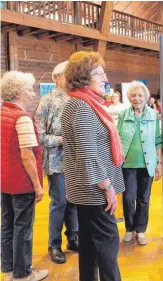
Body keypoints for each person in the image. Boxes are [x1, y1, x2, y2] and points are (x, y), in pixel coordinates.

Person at [61, 51, 125, 281]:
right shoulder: (82, 107)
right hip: (94, 190)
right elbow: (89, 154)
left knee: (89, 244)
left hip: (87, 189)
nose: (105, 77)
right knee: (108, 243)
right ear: (84, 76)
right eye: (99, 72)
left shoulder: (82, 103)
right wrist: (107, 187)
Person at [1, 71, 48, 281]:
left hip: (5, 181)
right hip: (21, 183)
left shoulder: (2, 113)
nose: (32, 93)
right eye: (29, 89)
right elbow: (27, 155)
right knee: (23, 229)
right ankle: (22, 274)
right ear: (18, 93)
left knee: (7, 224)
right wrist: (37, 186)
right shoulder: (22, 118)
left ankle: (9, 269)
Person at [35, 61, 79, 264]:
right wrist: (61, 140)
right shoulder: (47, 101)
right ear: (57, 77)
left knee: (74, 201)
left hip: (76, 160)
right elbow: (39, 135)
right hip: (55, 161)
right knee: (60, 202)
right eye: (67, 74)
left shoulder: (77, 99)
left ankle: (73, 237)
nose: (71, 78)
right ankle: (54, 244)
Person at [117, 81, 163, 246]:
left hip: (148, 163)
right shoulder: (123, 115)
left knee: (144, 198)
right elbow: (116, 139)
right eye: (134, 95)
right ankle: (129, 228)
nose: (137, 98)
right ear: (129, 97)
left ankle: (141, 230)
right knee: (129, 198)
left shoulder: (154, 115)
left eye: (140, 95)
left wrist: (159, 163)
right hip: (127, 164)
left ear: (146, 97)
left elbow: (158, 140)